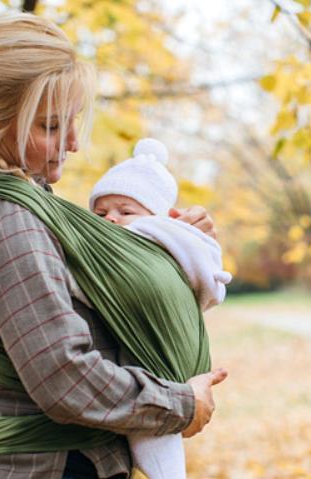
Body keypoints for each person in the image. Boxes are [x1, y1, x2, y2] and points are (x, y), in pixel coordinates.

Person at [0, 11, 227, 479]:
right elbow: (63, 375)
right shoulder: (4, 218)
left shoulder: (24, 206)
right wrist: (178, 404)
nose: (74, 143)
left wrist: (173, 249)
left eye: (72, 122)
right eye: (52, 127)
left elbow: (104, 310)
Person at [89, 137, 232, 479]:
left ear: (156, 217)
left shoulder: (155, 240)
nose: (111, 219)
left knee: (157, 447)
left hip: (156, 358)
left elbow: (198, 279)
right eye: (100, 212)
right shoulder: (97, 250)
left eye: (125, 211)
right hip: (131, 365)